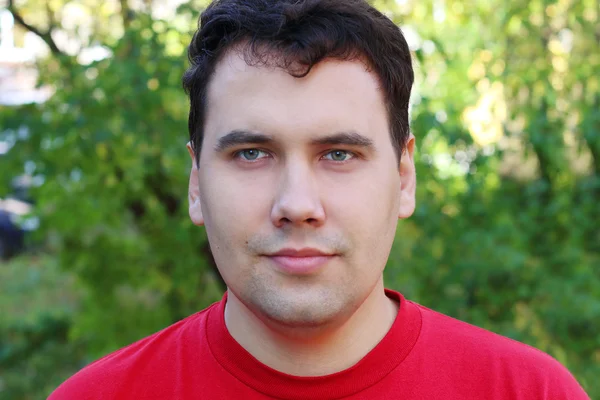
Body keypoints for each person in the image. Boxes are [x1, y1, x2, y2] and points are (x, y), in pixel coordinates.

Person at [49, 0, 590, 398]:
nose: (297, 203)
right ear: (195, 183)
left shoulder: (527, 392)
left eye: (338, 155)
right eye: (252, 154)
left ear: (404, 177)